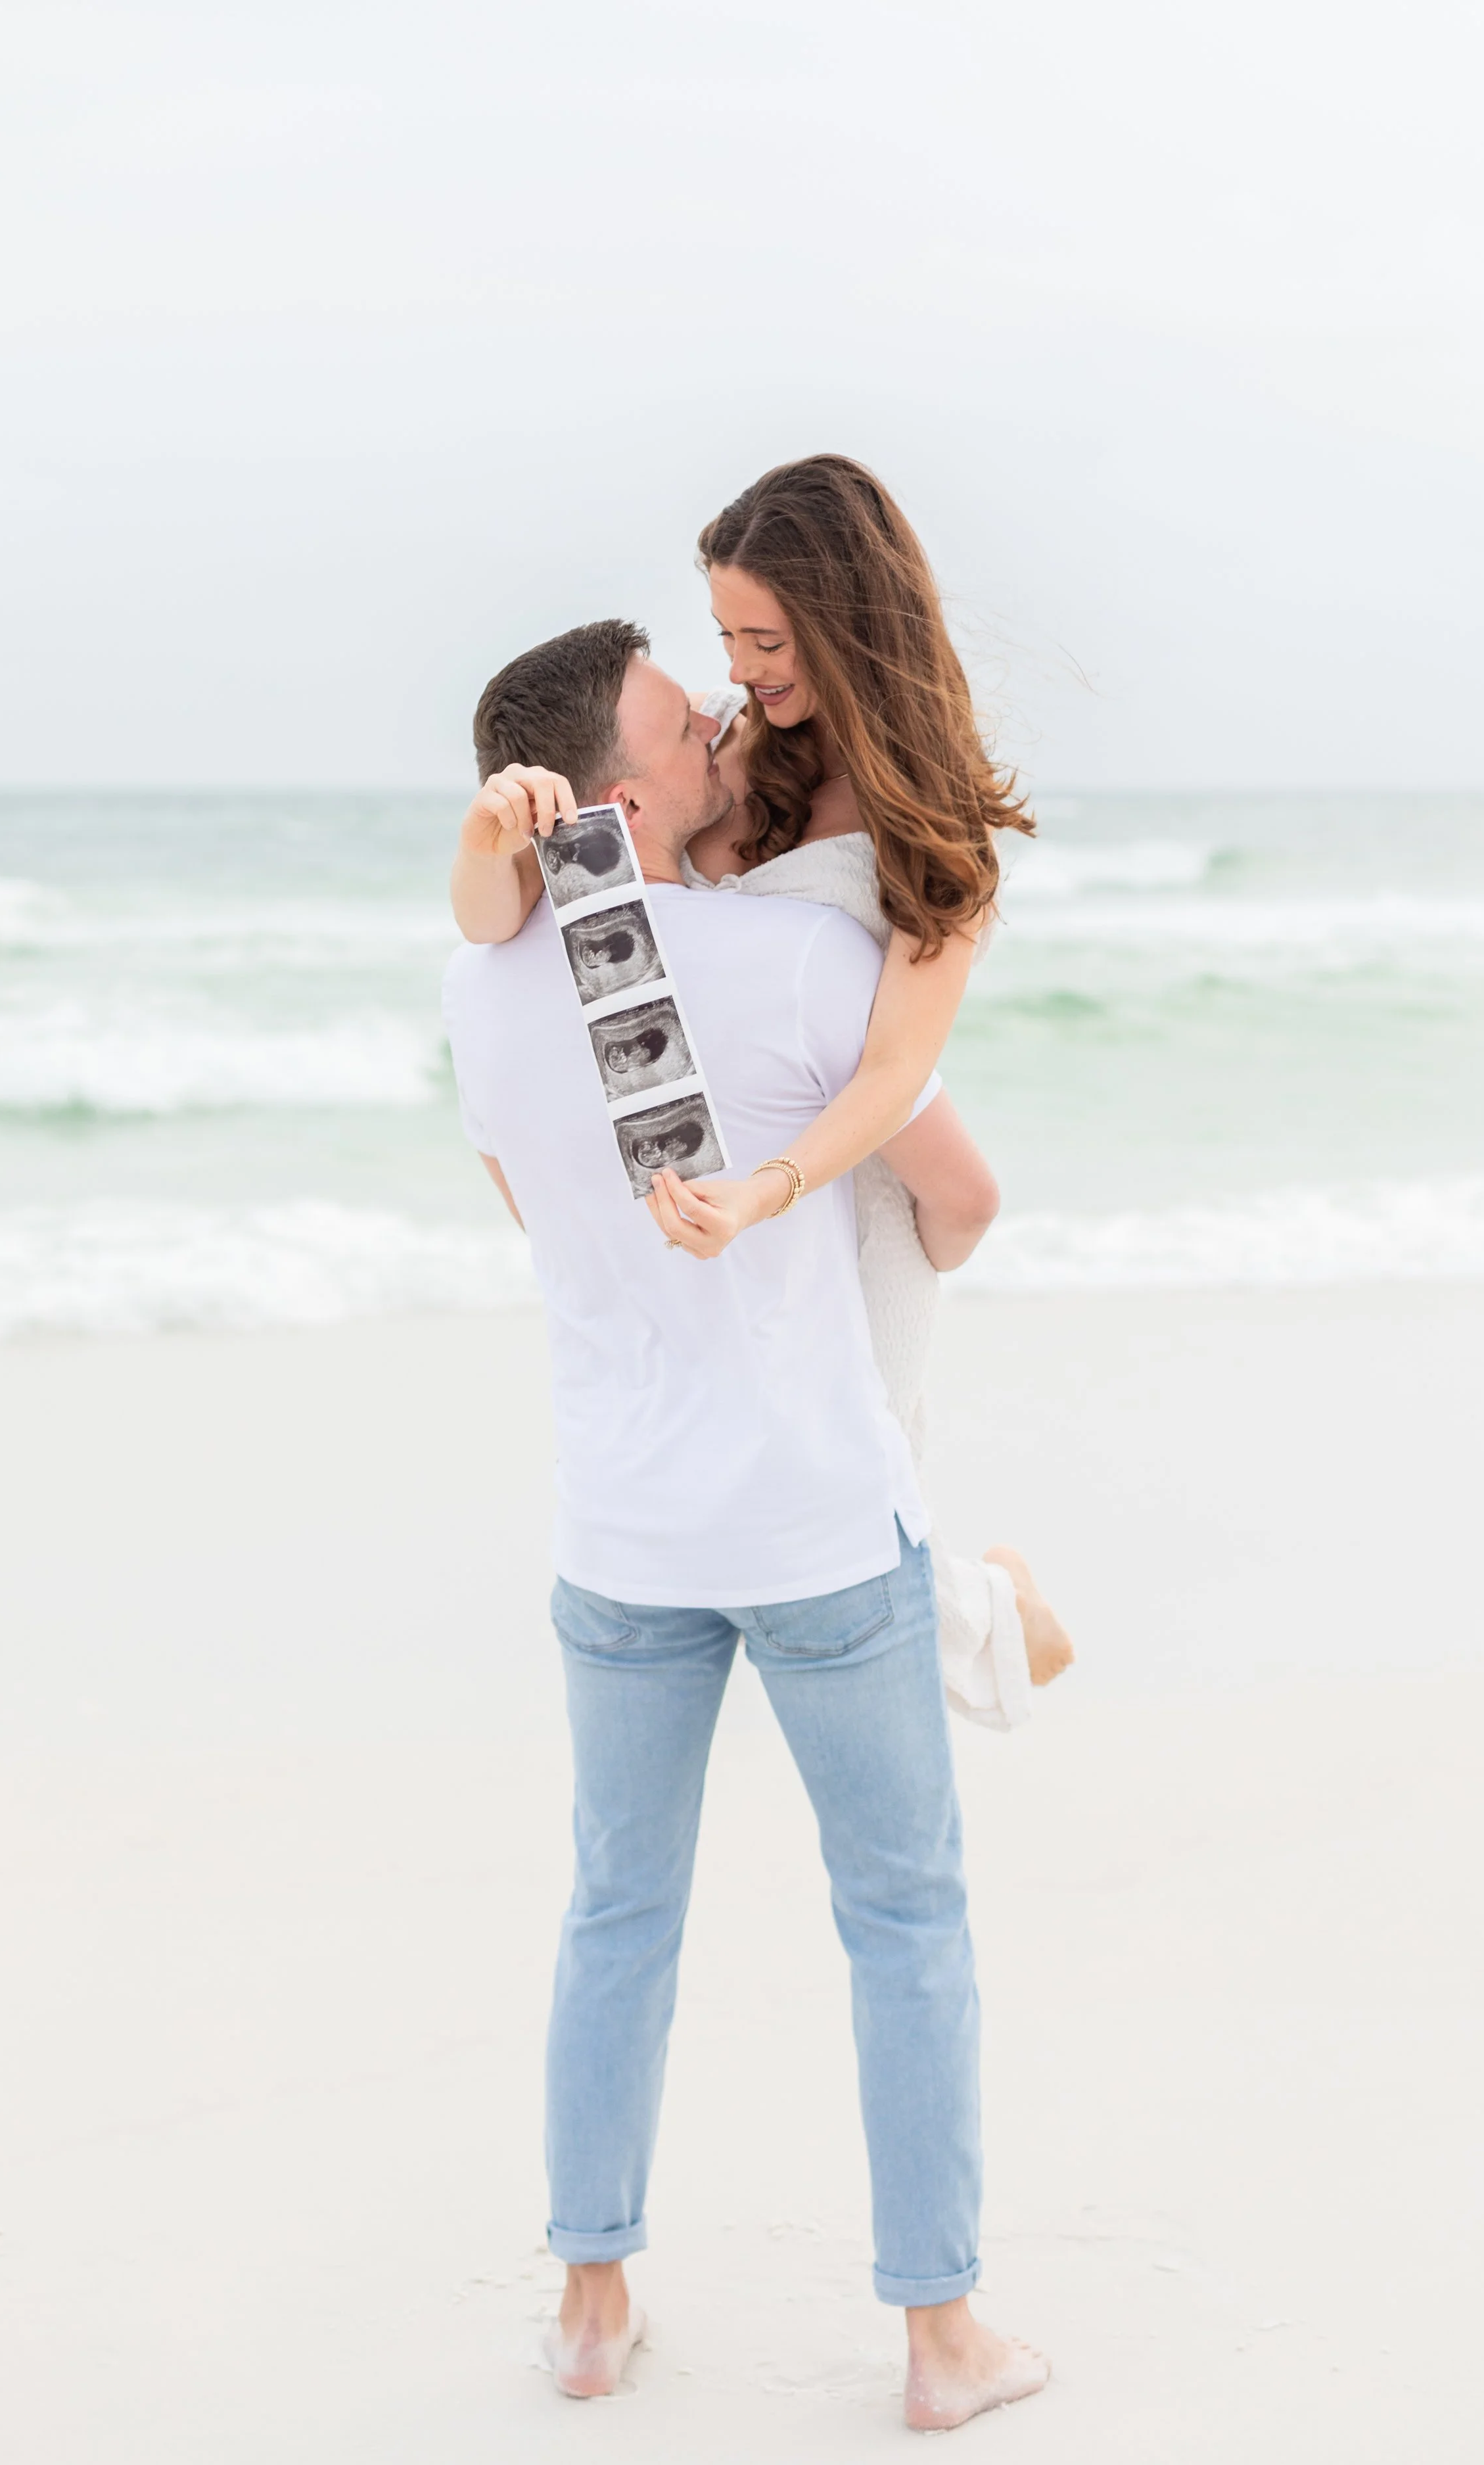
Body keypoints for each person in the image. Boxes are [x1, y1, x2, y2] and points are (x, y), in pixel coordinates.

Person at [442, 620, 1048, 2433]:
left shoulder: (480, 985)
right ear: (624, 797)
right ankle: (942, 2341)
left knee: (617, 1907)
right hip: (811, 1528)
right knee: (904, 1915)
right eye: (683, 712)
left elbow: (533, 1210)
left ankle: (588, 2304)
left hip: (621, 1533)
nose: (724, 715)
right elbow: (961, 1195)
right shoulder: (795, 959)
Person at [451, 455, 1073, 1732]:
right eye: (725, 634)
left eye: (764, 637)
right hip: (737, 1168)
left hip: (844, 1181)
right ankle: (992, 1618)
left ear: (847, 625)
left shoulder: (929, 824)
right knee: (791, 1487)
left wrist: (784, 1189)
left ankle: (980, 1639)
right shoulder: (736, 750)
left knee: (863, 1481)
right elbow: (528, 910)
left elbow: (894, 1070)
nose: (735, 671)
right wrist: (483, 846)